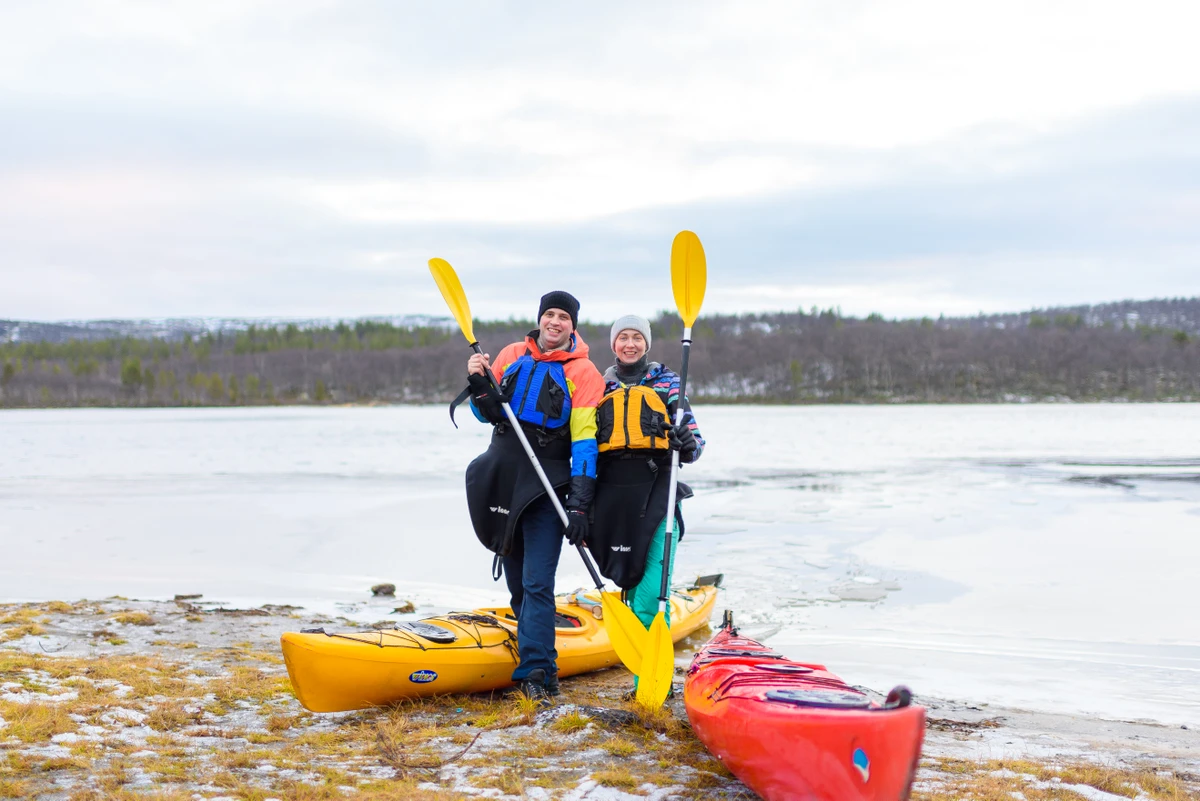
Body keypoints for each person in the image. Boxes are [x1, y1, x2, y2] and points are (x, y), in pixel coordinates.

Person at [460, 291, 603, 704]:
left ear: (573, 326)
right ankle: (542, 662)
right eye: (549, 315)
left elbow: (585, 442)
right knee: (518, 585)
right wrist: (477, 380)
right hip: (506, 479)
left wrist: (579, 503)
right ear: (540, 319)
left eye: (563, 317)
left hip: (548, 487)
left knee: (538, 581)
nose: (554, 322)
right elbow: (483, 414)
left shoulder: (584, 372)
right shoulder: (508, 355)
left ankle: (536, 673)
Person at [587, 314, 704, 694]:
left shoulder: (669, 384)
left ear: (647, 344)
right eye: (623, 337)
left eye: (637, 337)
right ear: (613, 344)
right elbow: (583, 444)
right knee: (632, 589)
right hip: (613, 500)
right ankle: (645, 673)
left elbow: (696, 444)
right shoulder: (597, 385)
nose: (630, 344)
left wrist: (686, 442)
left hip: (657, 494)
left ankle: (651, 683)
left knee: (652, 597)